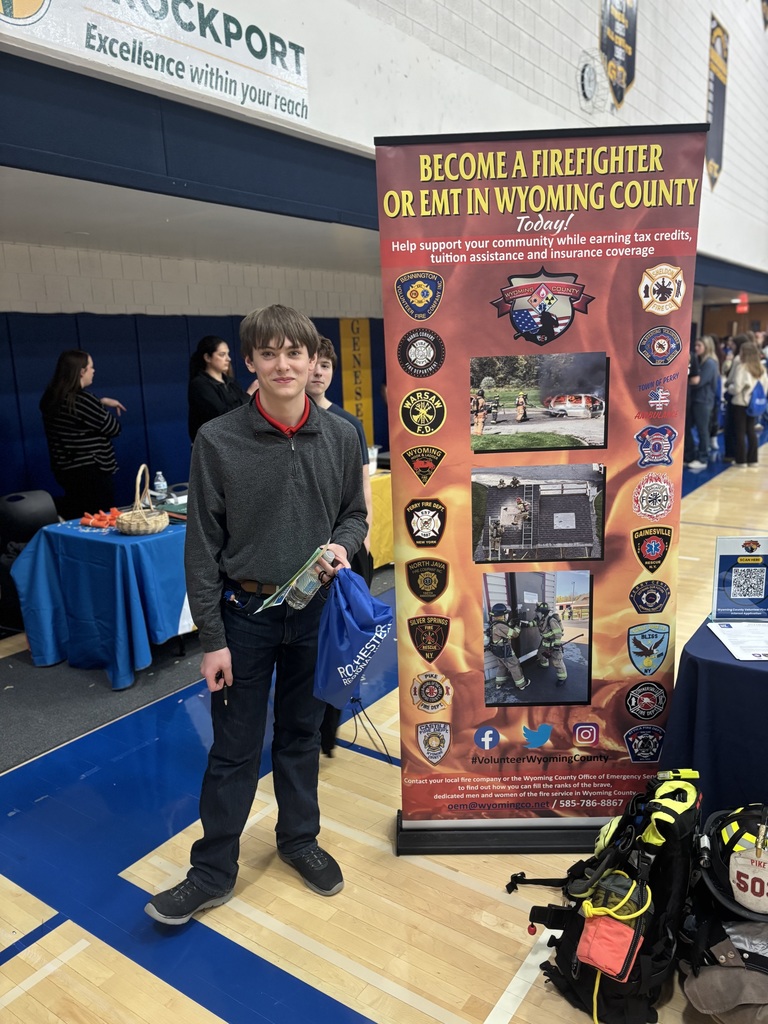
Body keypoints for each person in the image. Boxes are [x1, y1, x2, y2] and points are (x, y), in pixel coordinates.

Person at [145, 305, 367, 926]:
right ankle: (212, 871)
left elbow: (354, 513)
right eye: (268, 354)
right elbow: (202, 550)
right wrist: (212, 639)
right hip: (245, 618)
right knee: (235, 749)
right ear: (250, 363)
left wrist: (341, 545)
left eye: (294, 354)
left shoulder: (342, 436)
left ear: (311, 361)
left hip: (315, 615)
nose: (283, 365)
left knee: (301, 736)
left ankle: (298, 840)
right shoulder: (218, 441)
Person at [305, 336, 374, 757]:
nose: (318, 373)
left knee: (342, 645)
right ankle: (308, 729)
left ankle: (328, 727)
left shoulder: (348, 425)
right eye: (313, 363)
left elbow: (363, 488)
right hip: (305, 562)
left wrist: (363, 538)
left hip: (346, 551)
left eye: (326, 366)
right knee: (308, 650)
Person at [39, 350, 126, 519]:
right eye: (91, 367)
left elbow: (78, 420)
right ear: (81, 371)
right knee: (100, 519)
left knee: (79, 517)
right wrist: (100, 405)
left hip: (65, 471)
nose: (94, 371)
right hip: (93, 472)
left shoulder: (51, 399)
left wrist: (98, 403)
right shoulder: (83, 400)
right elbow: (114, 428)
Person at [187, 335, 256, 442]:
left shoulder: (231, 382)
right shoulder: (199, 385)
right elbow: (221, 415)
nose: (228, 359)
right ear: (207, 358)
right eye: (222, 354)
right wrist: (249, 394)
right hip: (211, 446)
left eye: (227, 354)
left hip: (234, 442)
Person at [726, 338, 768, 468]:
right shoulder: (761, 369)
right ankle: (753, 459)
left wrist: (729, 388)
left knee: (740, 431)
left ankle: (741, 460)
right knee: (751, 431)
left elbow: (737, 388)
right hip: (754, 404)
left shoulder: (742, 367)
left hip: (740, 403)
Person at [684, 336, 719, 468]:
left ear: (707, 347)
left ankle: (703, 458)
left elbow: (699, 382)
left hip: (703, 401)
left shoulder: (709, 363)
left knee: (702, 429)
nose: (696, 348)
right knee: (696, 428)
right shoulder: (701, 361)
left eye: (699, 345)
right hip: (698, 399)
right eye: (696, 345)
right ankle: (693, 454)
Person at [485, 603, 530, 691]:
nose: (507, 615)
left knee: (502, 666)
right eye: (506, 614)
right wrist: (518, 626)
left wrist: (511, 622)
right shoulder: (500, 626)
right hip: (506, 652)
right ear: (502, 615)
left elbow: (504, 629)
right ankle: (521, 684)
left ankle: (499, 683)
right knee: (514, 666)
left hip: (497, 651)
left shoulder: (494, 624)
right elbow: (514, 634)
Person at [529, 602, 567, 685]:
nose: (536, 613)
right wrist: (522, 623)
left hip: (553, 643)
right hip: (545, 642)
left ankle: (562, 677)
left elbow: (558, 633)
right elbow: (534, 623)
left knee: (557, 661)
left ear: (543, 613)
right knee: (540, 654)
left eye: (538, 612)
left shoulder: (551, 620)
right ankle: (544, 664)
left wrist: (556, 646)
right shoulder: (541, 620)